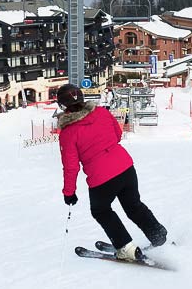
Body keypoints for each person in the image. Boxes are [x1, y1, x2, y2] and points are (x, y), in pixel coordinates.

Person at [55, 83, 167, 262]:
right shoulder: (101, 112)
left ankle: (126, 248)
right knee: (133, 206)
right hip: (125, 167)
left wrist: (69, 193)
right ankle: (158, 236)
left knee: (101, 210)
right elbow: (117, 135)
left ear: (62, 106)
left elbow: (71, 167)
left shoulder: (68, 132)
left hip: (101, 178)